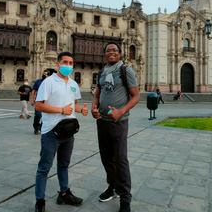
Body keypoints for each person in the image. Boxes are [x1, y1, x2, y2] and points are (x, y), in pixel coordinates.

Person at [34, 52, 88, 211]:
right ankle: (40, 201)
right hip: (51, 131)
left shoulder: (73, 83)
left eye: (71, 63)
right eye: (65, 62)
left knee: (64, 165)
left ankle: (64, 194)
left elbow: (73, 105)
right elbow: (38, 105)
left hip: (68, 131)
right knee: (44, 168)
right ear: (58, 64)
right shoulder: (49, 82)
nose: (68, 65)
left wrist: (81, 110)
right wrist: (60, 110)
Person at [91, 42, 140, 212]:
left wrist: (121, 111)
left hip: (119, 122)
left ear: (120, 54)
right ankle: (112, 187)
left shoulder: (125, 71)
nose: (111, 52)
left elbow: (135, 96)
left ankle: (125, 199)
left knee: (120, 159)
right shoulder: (101, 73)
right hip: (102, 121)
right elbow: (97, 94)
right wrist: (94, 108)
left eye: (114, 50)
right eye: (108, 51)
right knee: (106, 158)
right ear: (104, 54)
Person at [31, 70, 49, 135]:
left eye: (46, 74)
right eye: (44, 74)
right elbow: (33, 90)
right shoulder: (38, 82)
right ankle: (36, 127)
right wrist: (32, 99)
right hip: (38, 101)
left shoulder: (50, 82)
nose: (45, 75)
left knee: (45, 116)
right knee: (38, 115)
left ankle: (41, 127)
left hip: (47, 102)